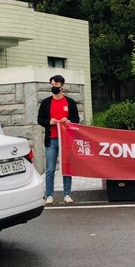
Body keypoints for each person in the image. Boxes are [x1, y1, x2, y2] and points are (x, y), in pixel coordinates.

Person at [37, 75, 80, 204]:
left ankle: (67, 194)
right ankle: (49, 195)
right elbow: (40, 119)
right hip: (51, 139)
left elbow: (76, 120)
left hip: (66, 139)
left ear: (62, 86)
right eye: (52, 85)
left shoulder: (70, 102)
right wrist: (49, 122)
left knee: (67, 167)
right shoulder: (46, 103)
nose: (53, 87)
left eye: (56, 85)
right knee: (50, 168)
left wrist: (69, 121)